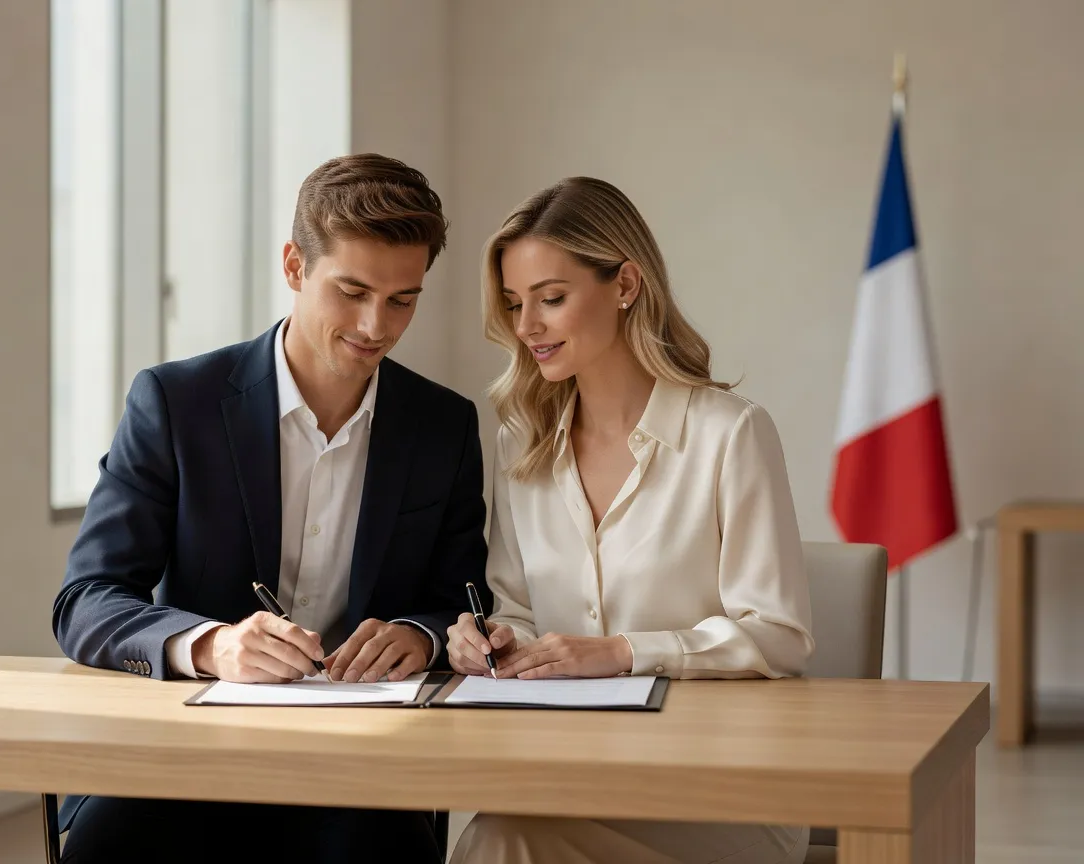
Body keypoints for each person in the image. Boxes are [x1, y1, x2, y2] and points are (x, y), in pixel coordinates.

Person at [52, 153, 489, 863]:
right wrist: (211, 645)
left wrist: (420, 633)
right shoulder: (175, 403)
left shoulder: (443, 426)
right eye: (351, 291)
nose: (376, 325)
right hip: (186, 754)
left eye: (402, 299)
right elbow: (87, 600)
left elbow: (463, 598)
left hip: (363, 768)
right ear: (294, 266)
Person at [445, 177, 815, 864]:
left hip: (719, 786)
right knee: (503, 831)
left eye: (551, 299)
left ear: (625, 284)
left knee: (503, 842)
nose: (527, 327)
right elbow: (518, 609)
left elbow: (781, 636)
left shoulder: (730, 434)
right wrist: (492, 639)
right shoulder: (520, 442)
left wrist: (622, 652)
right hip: (568, 777)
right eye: (515, 304)